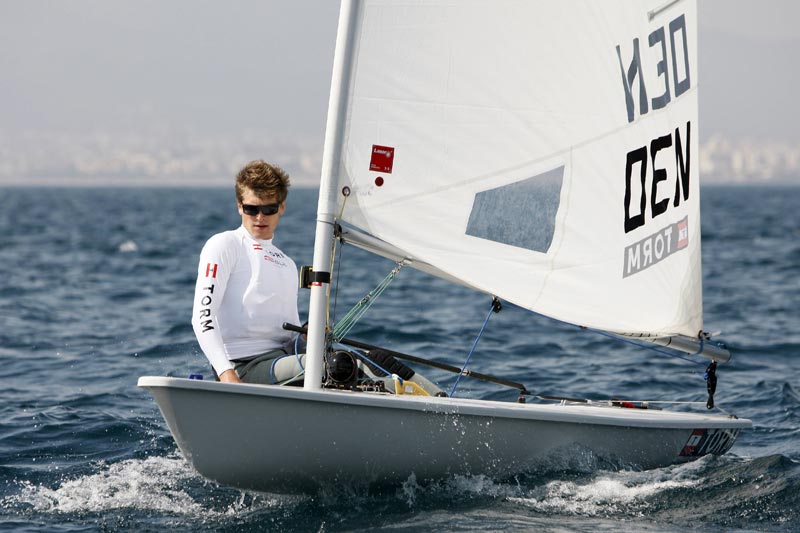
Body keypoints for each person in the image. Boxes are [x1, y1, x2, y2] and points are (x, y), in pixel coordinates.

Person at [191, 160, 302, 384]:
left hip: (281, 361)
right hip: (243, 366)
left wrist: (306, 335)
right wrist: (225, 373)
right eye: (252, 209)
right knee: (335, 365)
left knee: (370, 361)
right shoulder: (224, 245)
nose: (260, 217)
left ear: (282, 207)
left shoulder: (287, 264)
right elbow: (202, 317)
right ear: (239, 206)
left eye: (269, 209)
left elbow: (291, 340)